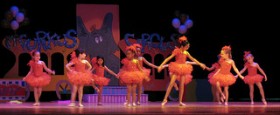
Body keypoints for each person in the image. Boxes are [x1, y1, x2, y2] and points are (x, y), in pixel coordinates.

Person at [157, 35, 206, 106]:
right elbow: (168, 59)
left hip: (183, 68)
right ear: (183, 46)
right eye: (187, 46)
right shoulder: (177, 51)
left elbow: (193, 59)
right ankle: (165, 99)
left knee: (182, 85)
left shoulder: (186, 53)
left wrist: (200, 64)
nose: (188, 48)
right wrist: (161, 65)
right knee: (171, 83)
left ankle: (180, 101)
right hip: (176, 67)